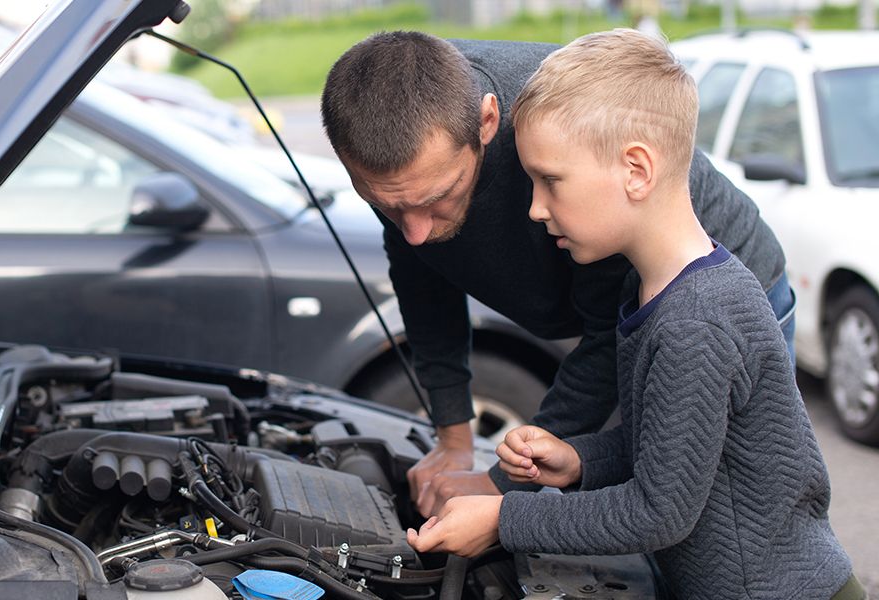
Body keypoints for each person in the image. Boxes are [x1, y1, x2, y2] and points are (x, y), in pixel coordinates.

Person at [404, 29, 858, 599]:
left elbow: (658, 512)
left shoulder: (695, 324)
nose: (536, 208)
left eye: (550, 181)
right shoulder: (658, 294)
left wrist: (502, 517)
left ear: (636, 170)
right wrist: (579, 459)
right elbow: (678, 446)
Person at [320, 30, 795, 517]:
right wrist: (453, 439)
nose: (414, 232)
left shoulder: (564, 144)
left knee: (726, 515)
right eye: (386, 206)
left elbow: (607, 348)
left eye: (436, 197)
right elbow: (423, 282)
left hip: (702, 298)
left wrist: (501, 492)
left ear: (487, 121)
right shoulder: (397, 158)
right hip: (618, 315)